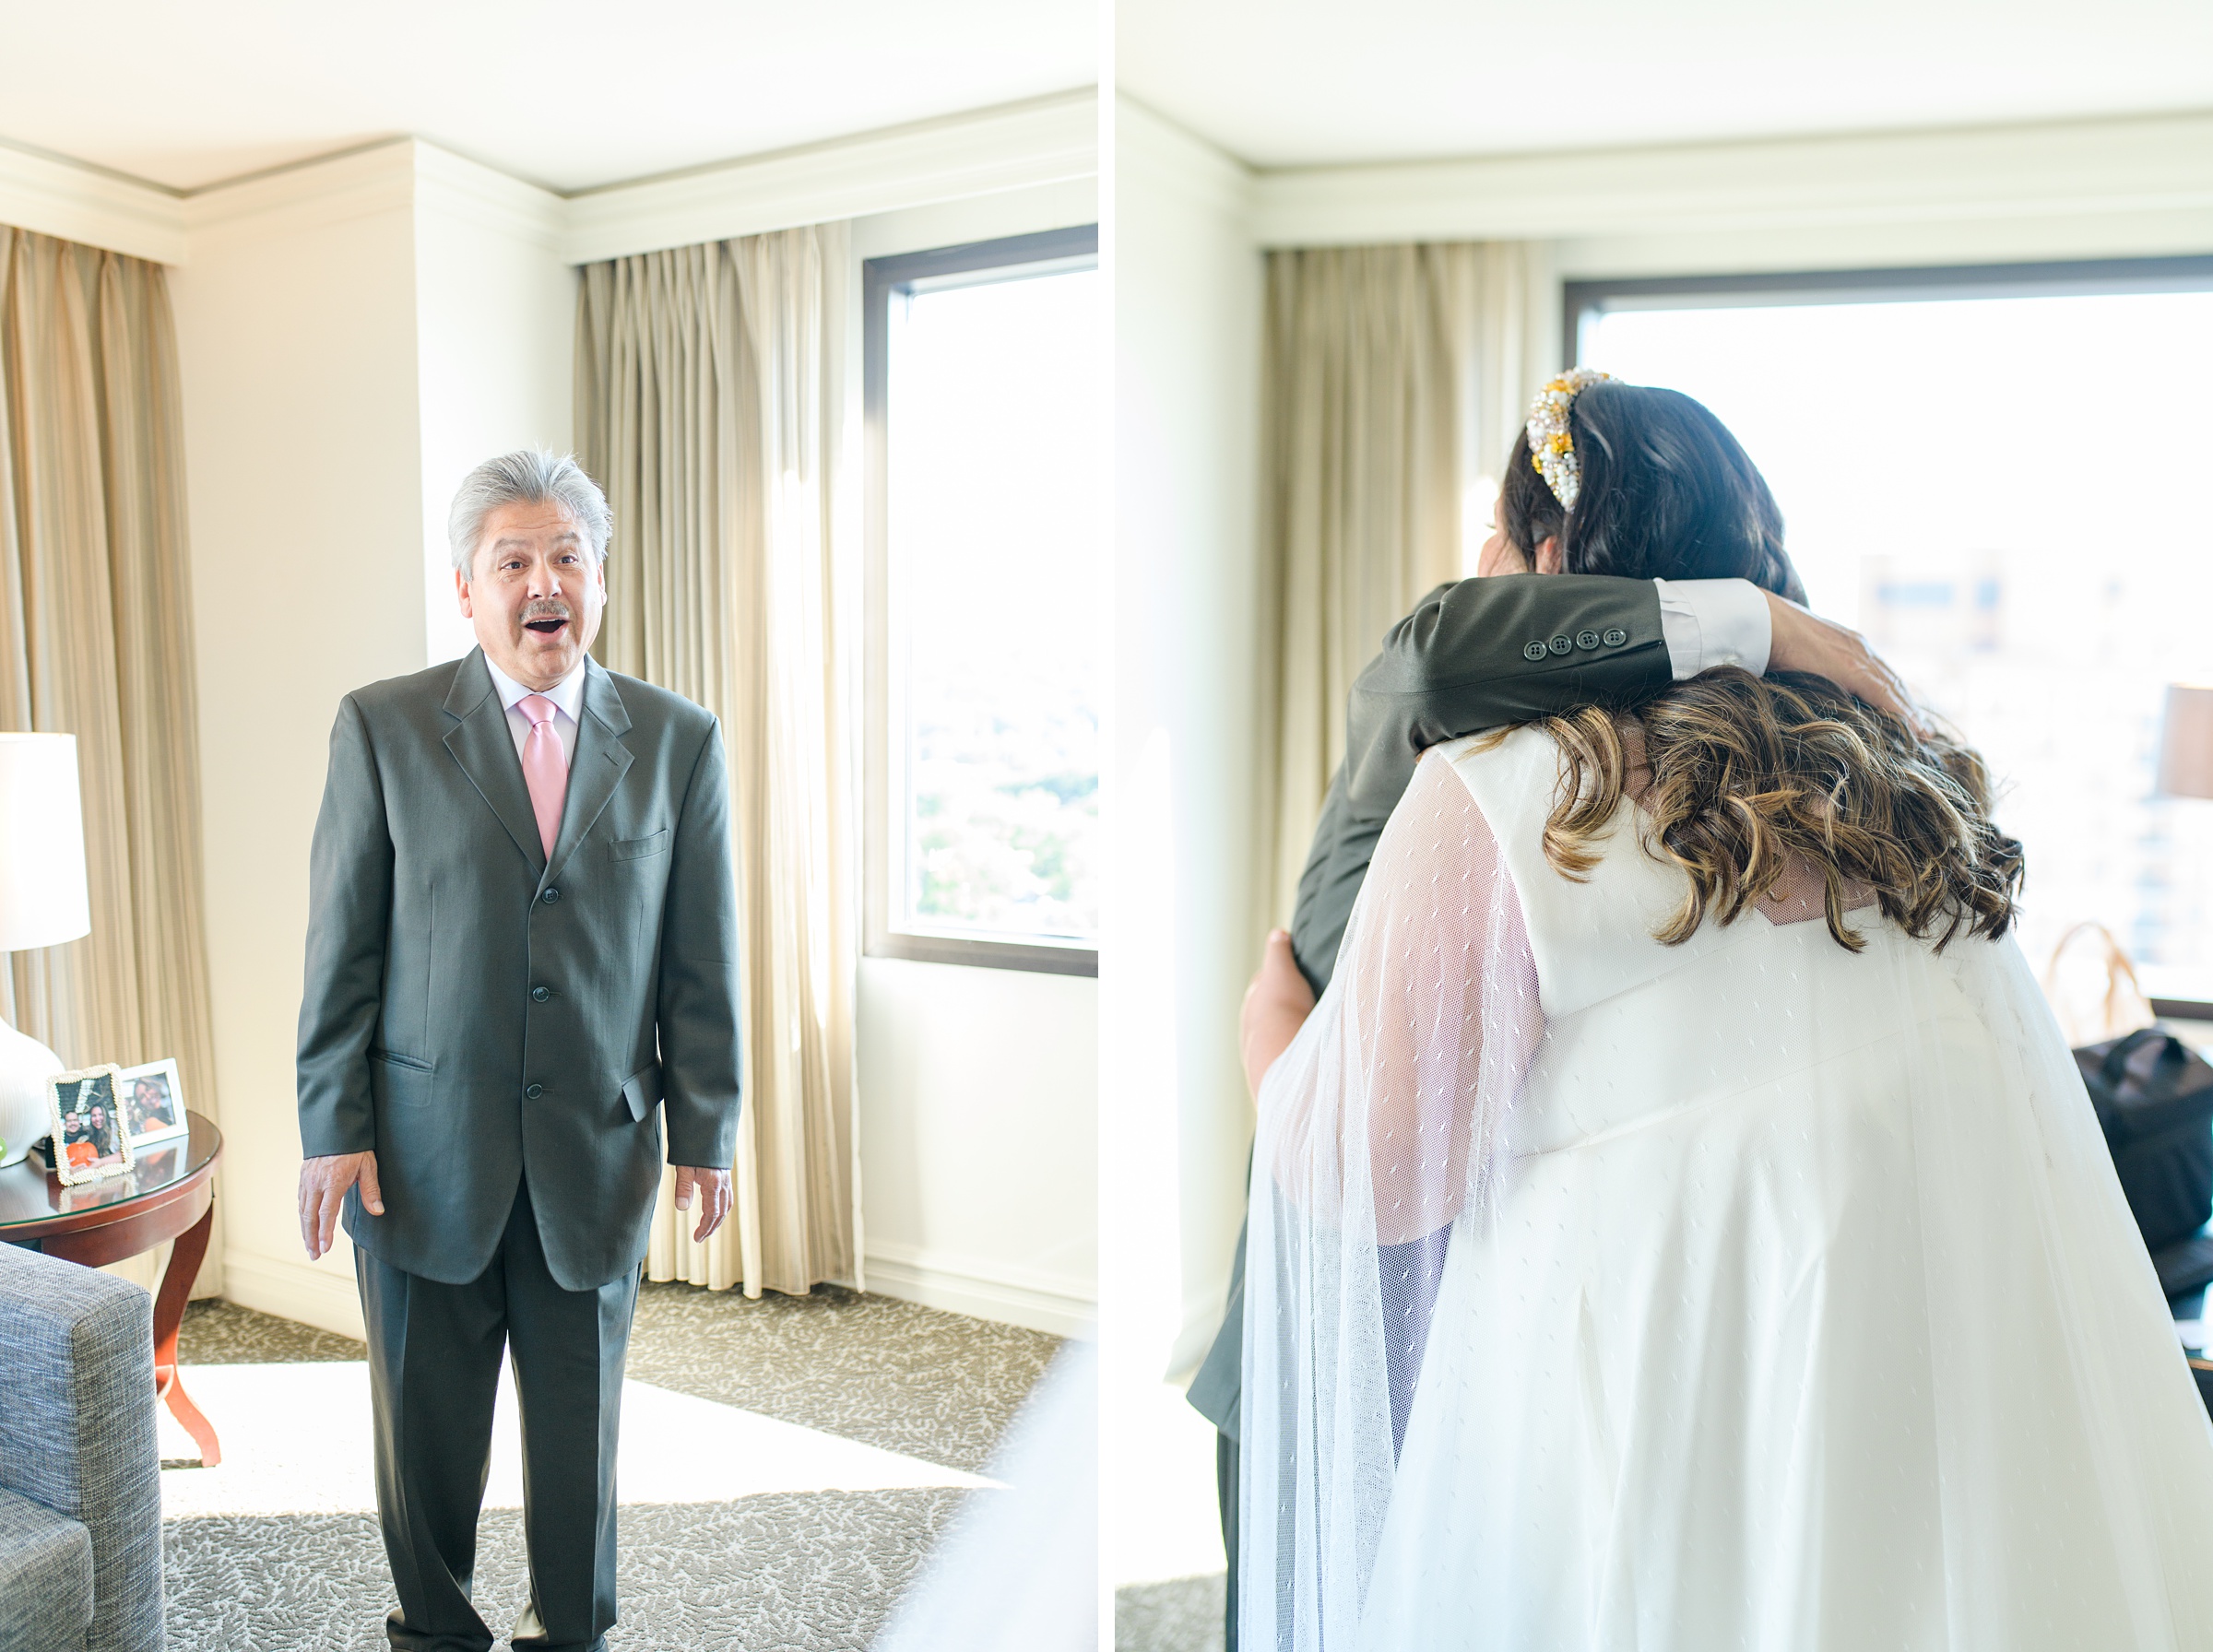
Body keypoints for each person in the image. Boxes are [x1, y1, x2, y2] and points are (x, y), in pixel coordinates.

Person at [1235, 373, 2213, 1648]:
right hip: (1931, 1393)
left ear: (1541, 565)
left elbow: (1386, 1177)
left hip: (1643, 1416)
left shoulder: (1513, 789)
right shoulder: (1909, 789)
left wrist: (1271, 1039)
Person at [1186, 421, 1916, 1652]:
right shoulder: (1472, 716)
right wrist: (1765, 620)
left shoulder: (1675, 780)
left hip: (1517, 1291)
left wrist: (1270, 1044)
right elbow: (1433, 646)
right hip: (1349, 1267)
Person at [295, 451, 741, 1652]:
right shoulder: (383, 726)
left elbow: (701, 960)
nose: (544, 581)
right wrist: (331, 1126)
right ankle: (435, 1633)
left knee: (577, 1436)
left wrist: (708, 1127)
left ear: (600, 580)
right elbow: (343, 948)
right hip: (421, 1154)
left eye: (567, 558)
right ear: (466, 589)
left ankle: (573, 1632)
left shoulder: (677, 738)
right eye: (514, 561)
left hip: (594, 1151)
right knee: (425, 1436)